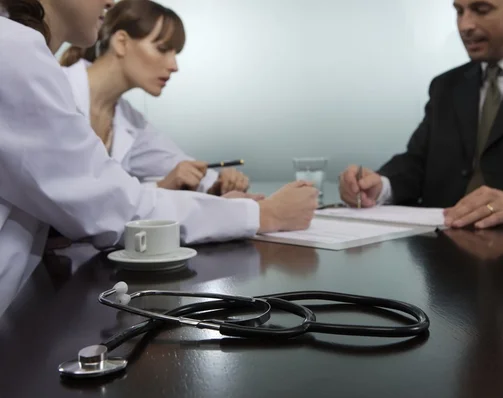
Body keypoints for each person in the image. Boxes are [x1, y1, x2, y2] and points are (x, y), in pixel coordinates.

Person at [0, 0, 317, 297]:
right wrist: (263, 213)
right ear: (122, 43)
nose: (111, 1)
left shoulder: (127, 119)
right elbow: (116, 207)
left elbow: (135, 182)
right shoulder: (17, 53)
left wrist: (215, 188)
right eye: (163, 48)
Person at [339, 0, 503, 235]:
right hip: (442, 257)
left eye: (481, 10)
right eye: (459, 11)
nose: (465, 25)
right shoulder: (446, 85)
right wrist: (381, 186)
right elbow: (418, 162)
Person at [58, 0, 247, 195]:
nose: (174, 66)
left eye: (175, 53)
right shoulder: (55, 86)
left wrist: (220, 184)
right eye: (163, 49)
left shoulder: (131, 122)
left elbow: (181, 165)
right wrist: (161, 187)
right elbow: (66, 192)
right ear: (122, 42)